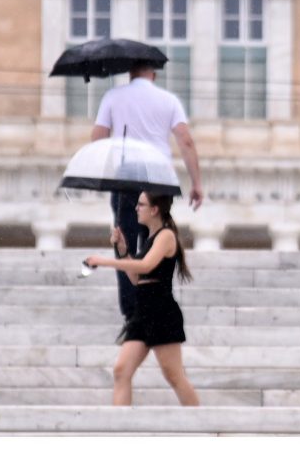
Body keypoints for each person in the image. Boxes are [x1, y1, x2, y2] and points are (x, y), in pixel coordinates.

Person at [91, 62, 203, 325]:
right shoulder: (168, 100)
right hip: (159, 176)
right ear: (153, 73)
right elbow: (185, 140)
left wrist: (104, 165)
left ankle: (132, 312)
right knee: (155, 240)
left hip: (126, 173)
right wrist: (196, 183)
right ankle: (155, 301)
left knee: (124, 241)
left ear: (130, 71)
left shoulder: (113, 96)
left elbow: (98, 138)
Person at [85, 191, 199, 406]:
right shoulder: (149, 239)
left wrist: (105, 261)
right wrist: (122, 251)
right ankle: (121, 432)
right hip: (142, 310)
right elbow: (138, 278)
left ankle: (202, 425)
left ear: (155, 209)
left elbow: (146, 265)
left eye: (142, 205)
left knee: (173, 375)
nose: (137, 209)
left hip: (161, 311)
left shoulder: (166, 236)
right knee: (121, 371)